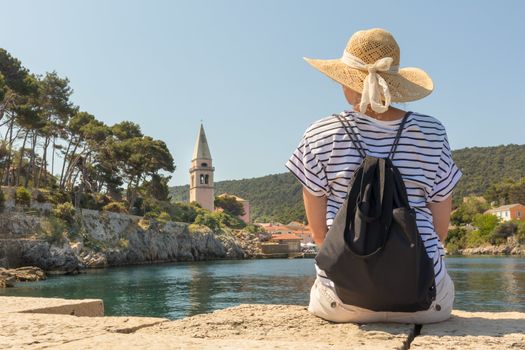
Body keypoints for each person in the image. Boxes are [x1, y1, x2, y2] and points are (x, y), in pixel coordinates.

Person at [285, 28, 462, 324]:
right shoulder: (432, 132)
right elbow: (439, 231)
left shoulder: (319, 133)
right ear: (394, 84)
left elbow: (319, 235)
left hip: (341, 302)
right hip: (424, 300)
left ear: (345, 80)